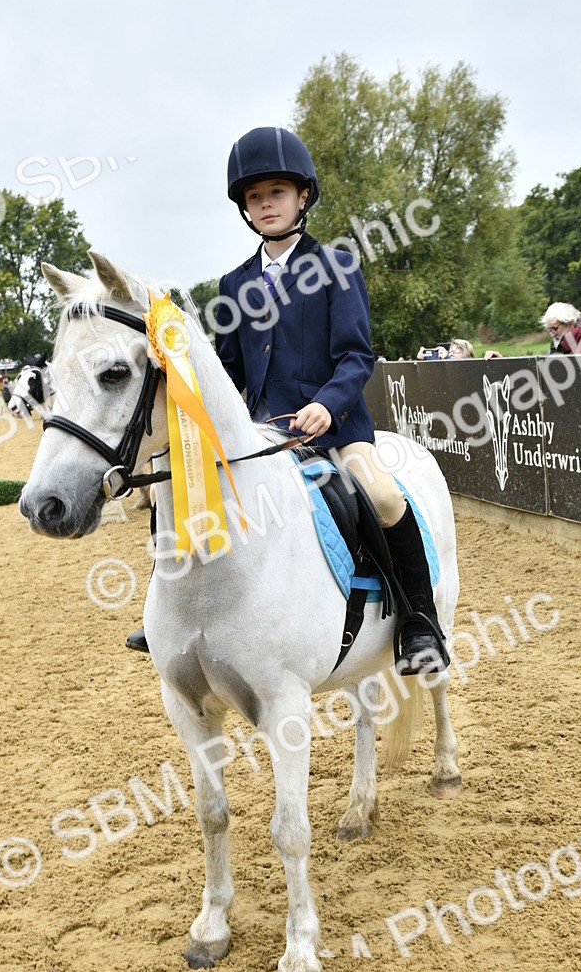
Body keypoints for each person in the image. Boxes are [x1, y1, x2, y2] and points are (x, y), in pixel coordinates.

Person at [128, 127, 449, 675]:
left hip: (336, 428)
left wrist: (328, 404)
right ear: (245, 210)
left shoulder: (338, 267)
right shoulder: (234, 284)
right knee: (177, 490)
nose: (266, 204)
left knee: (383, 495)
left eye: (277, 192)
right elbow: (225, 371)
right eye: (255, 197)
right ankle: (168, 613)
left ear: (302, 197)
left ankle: (420, 623)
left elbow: (356, 357)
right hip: (259, 437)